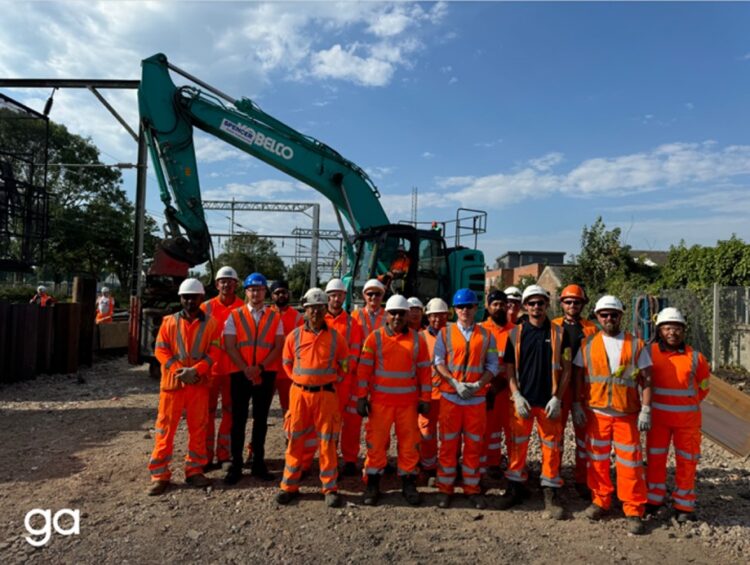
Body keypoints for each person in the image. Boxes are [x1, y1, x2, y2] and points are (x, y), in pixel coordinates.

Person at [573, 295, 652, 535]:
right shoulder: (587, 344)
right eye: (604, 314)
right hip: (596, 413)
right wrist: (577, 404)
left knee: (630, 464)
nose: (609, 318)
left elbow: (647, 379)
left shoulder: (636, 344)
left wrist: (646, 409)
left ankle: (633, 508)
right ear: (597, 317)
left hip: (626, 413)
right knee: (596, 461)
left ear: (621, 316)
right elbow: (578, 376)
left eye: (613, 314)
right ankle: (600, 500)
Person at [275, 288, 349, 508]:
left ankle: (330, 487)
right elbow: (286, 362)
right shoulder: (294, 336)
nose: (315, 312)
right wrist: (298, 379)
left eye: (319, 308)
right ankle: (289, 485)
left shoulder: (336, 338)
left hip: (326, 395)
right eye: (311, 308)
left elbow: (345, 363)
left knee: (327, 442)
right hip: (299, 395)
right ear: (304, 311)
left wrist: (336, 377)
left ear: (325, 309)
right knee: (295, 439)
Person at [498, 285, 567, 520]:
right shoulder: (515, 334)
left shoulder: (559, 333)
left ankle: (550, 492)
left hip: (549, 402)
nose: (536, 307)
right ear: (525, 306)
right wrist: (516, 395)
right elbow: (509, 368)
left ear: (547, 305)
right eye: (532, 303)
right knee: (517, 446)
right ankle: (515, 488)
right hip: (523, 402)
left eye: (540, 303)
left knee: (551, 448)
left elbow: (566, 369)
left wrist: (558, 398)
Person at [356, 295, 431, 506]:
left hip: (407, 404)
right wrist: (361, 398)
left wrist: (425, 398)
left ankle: (408, 482)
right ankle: (372, 483)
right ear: (386, 315)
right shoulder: (375, 338)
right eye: (393, 313)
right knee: (376, 445)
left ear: (408, 315)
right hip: (380, 404)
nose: (397, 317)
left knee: (409, 445)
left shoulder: (417, 340)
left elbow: (425, 372)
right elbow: (364, 371)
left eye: (401, 313)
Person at [147, 278, 220, 495]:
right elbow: (161, 350)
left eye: (193, 297)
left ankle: (194, 470)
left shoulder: (212, 324)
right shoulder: (168, 322)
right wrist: (180, 370)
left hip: (197, 384)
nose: (189, 301)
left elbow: (215, 351)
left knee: (198, 428)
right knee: (165, 430)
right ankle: (160, 475)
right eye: (186, 297)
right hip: (173, 385)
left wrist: (196, 370)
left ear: (201, 298)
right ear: (180, 298)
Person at [433, 288, 498, 509]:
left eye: (469, 306)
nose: (465, 310)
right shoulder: (444, 334)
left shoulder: (487, 336)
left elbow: (492, 365)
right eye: (460, 306)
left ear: (476, 308)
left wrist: (480, 384)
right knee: (448, 445)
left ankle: (472, 489)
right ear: (454, 309)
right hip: (451, 397)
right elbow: (438, 362)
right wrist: (455, 383)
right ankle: (445, 489)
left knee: (474, 446)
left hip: (475, 399)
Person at [645, 307, 710, 523]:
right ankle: (654, 499)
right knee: (655, 459)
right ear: (659, 330)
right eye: (667, 327)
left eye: (677, 328)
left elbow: (704, 386)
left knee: (687, 462)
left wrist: (686, 404)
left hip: (687, 423)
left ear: (683, 331)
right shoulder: (649, 352)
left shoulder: (696, 358)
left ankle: (684, 504)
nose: (672, 332)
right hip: (658, 421)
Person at [223, 272, 284, 484]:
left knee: (261, 420)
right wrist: (246, 369)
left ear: (265, 292)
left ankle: (258, 462)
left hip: (265, 373)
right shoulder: (234, 315)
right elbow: (230, 346)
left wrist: (260, 367)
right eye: (252, 289)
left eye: (259, 289)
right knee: (238, 420)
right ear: (246, 292)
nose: (256, 293)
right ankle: (236, 464)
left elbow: (278, 346)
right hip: (240, 374)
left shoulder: (275, 317)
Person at [551, 284, 599, 499]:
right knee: (555, 435)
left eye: (576, 302)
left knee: (584, 437)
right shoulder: (552, 326)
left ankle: (583, 478)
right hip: (559, 387)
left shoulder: (591, 329)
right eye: (568, 302)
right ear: (561, 303)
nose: (572, 305)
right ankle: (553, 477)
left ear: (583, 304)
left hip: (583, 389)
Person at [200, 266, 244, 471]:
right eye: (222, 281)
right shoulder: (206, 308)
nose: (226, 284)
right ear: (217, 284)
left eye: (230, 281)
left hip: (233, 370)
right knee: (206, 413)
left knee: (230, 413)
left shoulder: (243, 308)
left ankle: (224, 454)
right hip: (209, 369)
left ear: (236, 284)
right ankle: (205, 455)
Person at [324, 278, 365, 476]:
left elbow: (355, 350)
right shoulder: (320, 320)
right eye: (332, 295)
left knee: (351, 422)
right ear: (327, 296)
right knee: (330, 422)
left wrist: (344, 371)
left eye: (339, 295)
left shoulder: (351, 323)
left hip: (348, 380)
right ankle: (330, 459)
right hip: (327, 380)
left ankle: (349, 459)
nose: (336, 298)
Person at [480, 289, 515, 480]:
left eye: (502, 304)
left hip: (509, 390)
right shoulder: (481, 331)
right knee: (490, 431)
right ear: (488, 306)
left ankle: (514, 465)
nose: (499, 307)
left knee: (512, 431)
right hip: (489, 391)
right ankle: (491, 463)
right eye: (495, 304)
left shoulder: (516, 331)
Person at [417, 297, 449, 478]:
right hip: (427, 395)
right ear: (428, 317)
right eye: (433, 316)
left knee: (447, 434)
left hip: (447, 395)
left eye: (441, 316)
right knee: (426, 432)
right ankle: (428, 466)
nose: (437, 320)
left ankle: (446, 466)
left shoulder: (452, 336)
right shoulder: (421, 338)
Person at [269, 280, 304, 416]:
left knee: (289, 409)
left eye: (284, 292)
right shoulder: (266, 314)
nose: (281, 295)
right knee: (262, 407)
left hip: (287, 371)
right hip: (268, 369)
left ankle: (289, 436)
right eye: (277, 293)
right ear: (272, 296)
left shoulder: (296, 317)